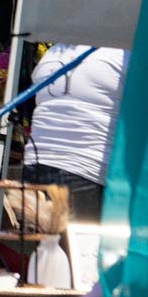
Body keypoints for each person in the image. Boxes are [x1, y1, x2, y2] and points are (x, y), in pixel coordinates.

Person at [24, 44, 128, 222]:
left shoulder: (52, 54)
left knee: (51, 246)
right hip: (84, 169)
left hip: (36, 164)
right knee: (81, 248)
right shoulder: (122, 54)